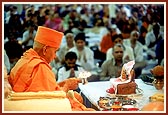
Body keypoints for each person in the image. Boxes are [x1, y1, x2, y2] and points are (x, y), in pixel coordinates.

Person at [8, 26, 95, 111]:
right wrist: (67, 86)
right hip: (39, 106)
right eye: (55, 51)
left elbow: (48, 88)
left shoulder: (24, 59)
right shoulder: (40, 67)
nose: (55, 56)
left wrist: (66, 82)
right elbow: (52, 98)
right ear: (45, 49)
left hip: (25, 101)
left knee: (77, 96)